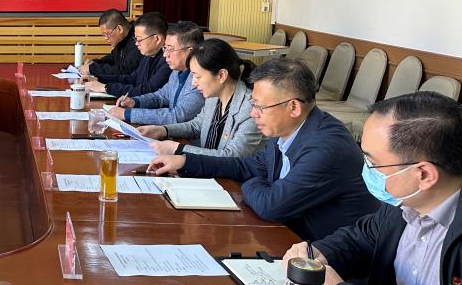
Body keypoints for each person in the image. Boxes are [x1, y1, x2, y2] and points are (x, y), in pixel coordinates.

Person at [283, 92, 462, 285]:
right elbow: (360, 238)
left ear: (424, 175)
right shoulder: (402, 203)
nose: (365, 170)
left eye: (372, 162)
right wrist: (317, 254)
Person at [148, 58, 377, 241]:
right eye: (252, 104)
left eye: (259, 106)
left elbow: (271, 206)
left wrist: (253, 183)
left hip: (326, 255)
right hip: (289, 235)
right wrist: (185, 161)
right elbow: (247, 165)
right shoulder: (289, 128)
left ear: (293, 107)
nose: (252, 113)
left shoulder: (326, 148)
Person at [140, 38, 264, 159]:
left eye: (197, 77)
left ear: (221, 75)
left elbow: (232, 156)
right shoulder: (214, 97)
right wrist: (163, 130)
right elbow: (196, 126)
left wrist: (178, 148)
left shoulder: (250, 109)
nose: (193, 83)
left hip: (227, 173)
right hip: (205, 169)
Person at [110, 21, 205, 125]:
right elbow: (161, 96)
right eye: (165, 48)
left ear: (190, 51)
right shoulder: (177, 72)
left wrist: (128, 114)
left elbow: (177, 116)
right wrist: (135, 101)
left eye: (170, 49)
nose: (165, 55)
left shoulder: (199, 80)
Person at [85, 12, 170, 98]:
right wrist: (99, 79)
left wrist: (106, 87)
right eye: (135, 40)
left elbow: (147, 91)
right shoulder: (148, 55)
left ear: (157, 39)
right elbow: (132, 78)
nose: (136, 44)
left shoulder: (168, 60)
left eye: (139, 40)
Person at [79, 9, 140, 79]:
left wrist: (92, 69)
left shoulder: (137, 40)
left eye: (107, 34)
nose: (105, 38)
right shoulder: (123, 39)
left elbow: (124, 70)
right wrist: (95, 63)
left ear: (119, 29)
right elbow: (113, 58)